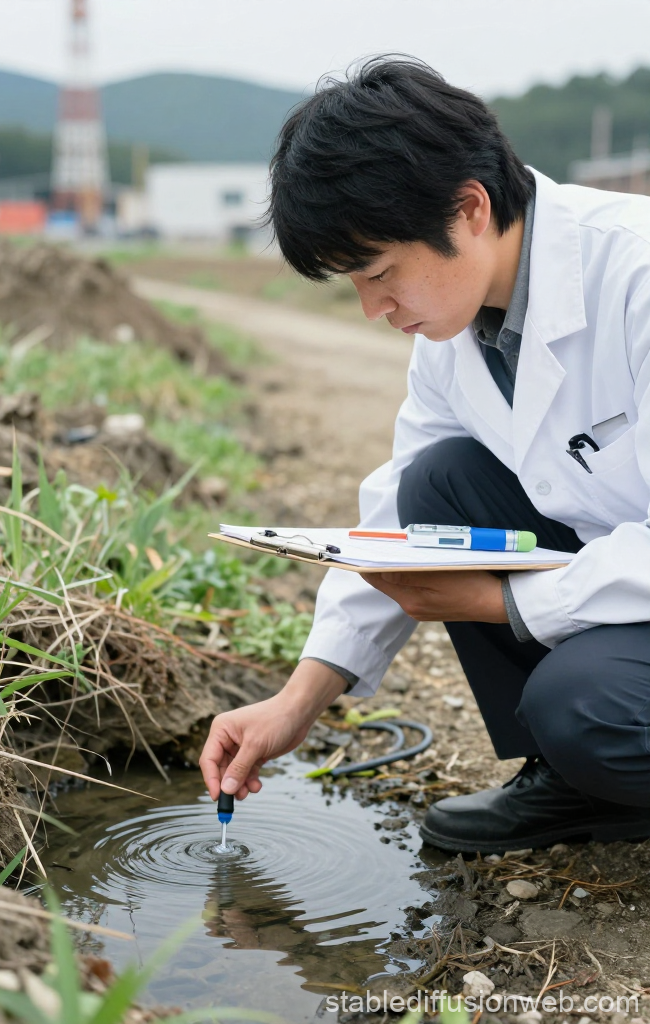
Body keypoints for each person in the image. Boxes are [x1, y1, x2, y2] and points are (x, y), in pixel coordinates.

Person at [201, 56, 650, 854]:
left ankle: (598, 755)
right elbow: (389, 523)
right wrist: (298, 701)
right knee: (437, 483)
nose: (374, 308)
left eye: (380, 274)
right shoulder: (460, 324)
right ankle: (585, 786)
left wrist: (498, 604)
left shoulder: (637, 277)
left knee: (584, 703)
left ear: (469, 207)